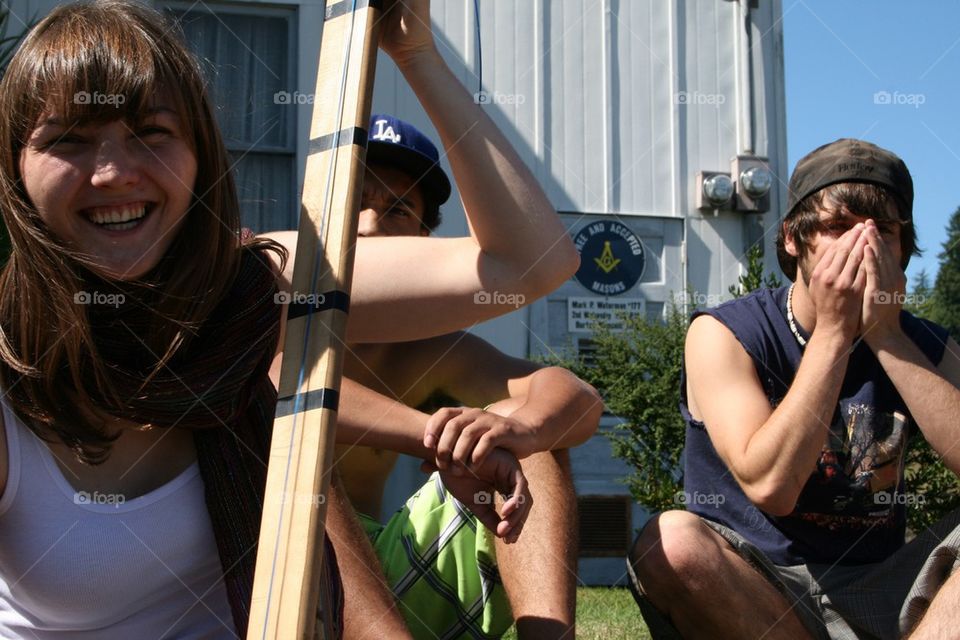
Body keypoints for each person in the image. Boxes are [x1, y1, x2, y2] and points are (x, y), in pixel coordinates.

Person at [0, 1, 579, 638]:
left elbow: (528, 263)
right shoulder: (11, 357)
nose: (113, 172)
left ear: (200, 156)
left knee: (306, 457)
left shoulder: (256, 288)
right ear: (14, 170)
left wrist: (416, 54)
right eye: (67, 141)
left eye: (151, 132)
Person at [278, 113, 601, 640]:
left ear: (425, 238)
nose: (369, 222)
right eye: (354, 200)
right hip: (269, 573)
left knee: (516, 429)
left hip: (384, 570)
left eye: (397, 207)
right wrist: (431, 435)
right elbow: (280, 380)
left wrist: (525, 430)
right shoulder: (268, 306)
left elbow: (578, 397)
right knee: (302, 458)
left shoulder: (427, 350)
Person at [628, 138, 960, 640]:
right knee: (669, 541)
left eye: (882, 231)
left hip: (883, 586)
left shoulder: (926, 344)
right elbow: (771, 488)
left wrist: (887, 336)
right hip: (761, 586)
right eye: (836, 228)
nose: (860, 247)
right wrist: (833, 332)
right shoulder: (726, 334)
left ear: (903, 247)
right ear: (791, 238)